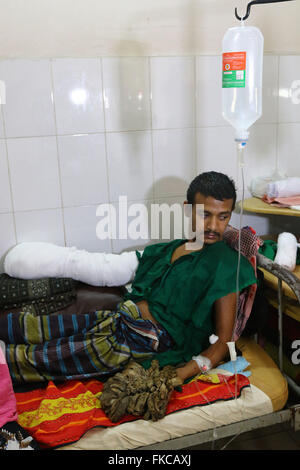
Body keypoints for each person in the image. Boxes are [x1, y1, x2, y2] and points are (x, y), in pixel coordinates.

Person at [0, 171, 256, 384]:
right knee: (37, 327)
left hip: (140, 344)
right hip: (117, 321)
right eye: (205, 214)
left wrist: (183, 373)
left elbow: (224, 341)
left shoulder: (226, 264)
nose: (213, 225)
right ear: (188, 209)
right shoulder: (169, 250)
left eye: (223, 217)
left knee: (39, 358)